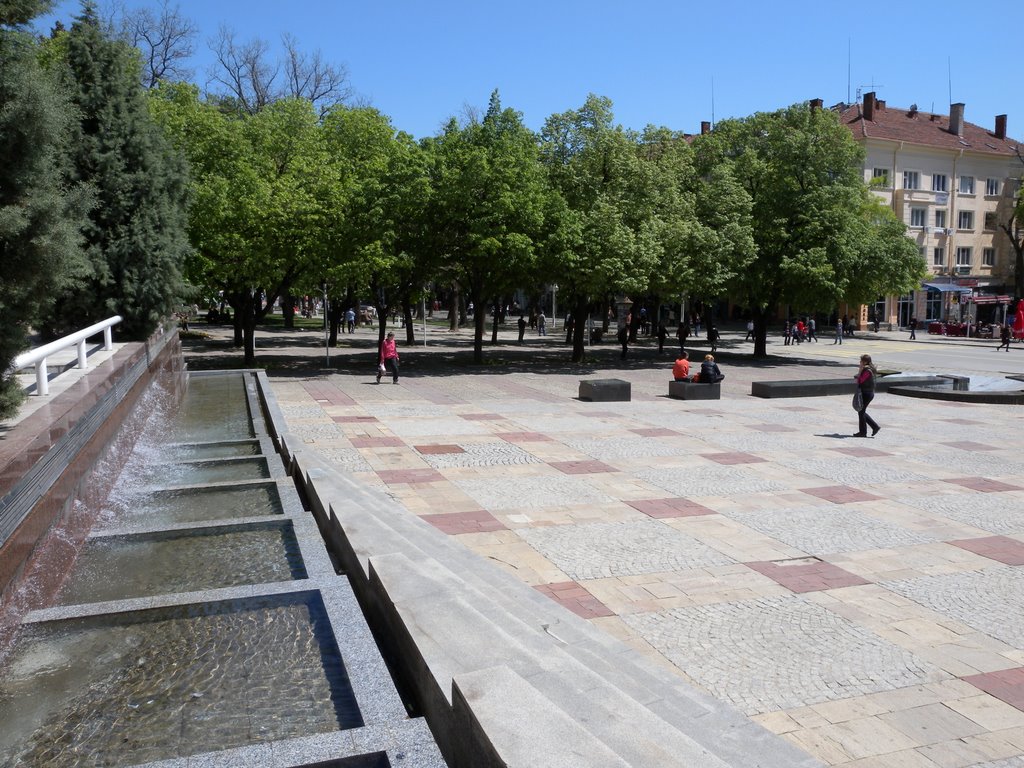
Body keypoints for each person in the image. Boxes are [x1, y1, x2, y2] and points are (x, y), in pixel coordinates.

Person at [853, 354, 880, 437]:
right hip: (867, 392)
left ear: (865, 362)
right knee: (861, 411)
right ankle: (871, 428)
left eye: (861, 361)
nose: (860, 362)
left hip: (867, 393)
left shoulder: (867, 370)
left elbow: (860, 380)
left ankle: (866, 431)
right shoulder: (869, 369)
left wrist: (860, 370)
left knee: (861, 411)